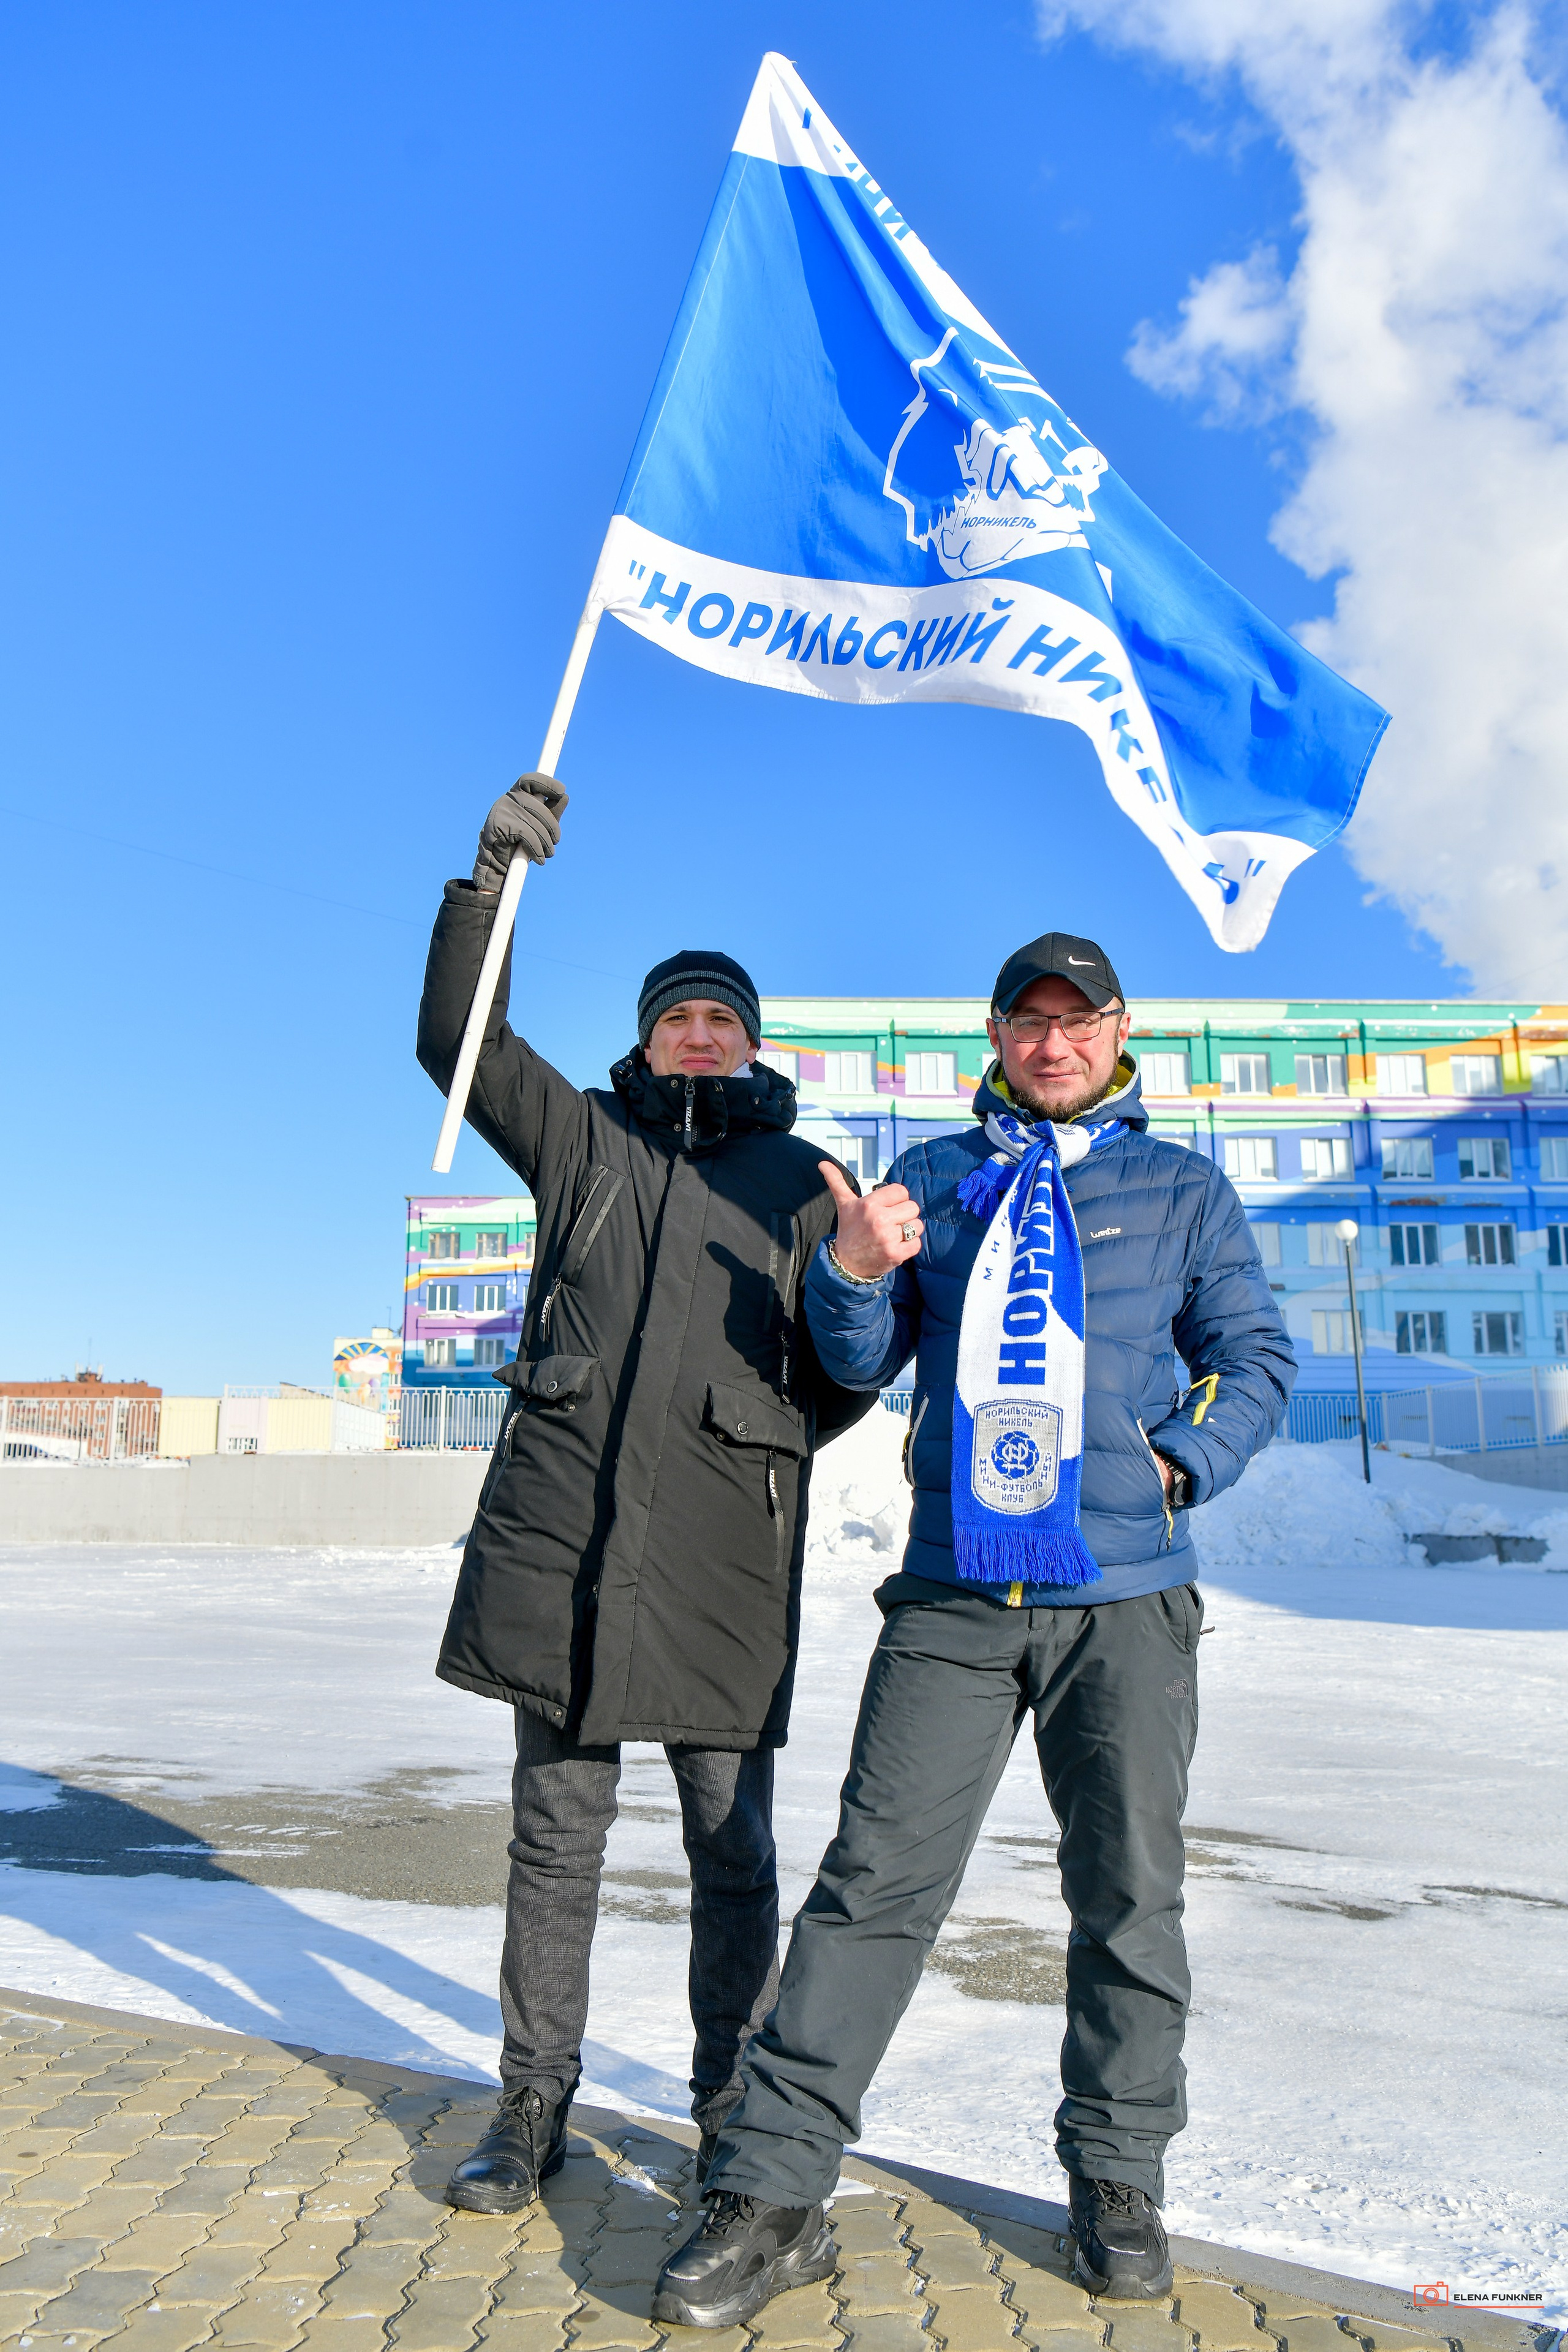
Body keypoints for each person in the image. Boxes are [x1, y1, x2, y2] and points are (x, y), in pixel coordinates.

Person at [654, 929, 1295, 2329]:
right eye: (1028, 1021)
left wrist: (1177, 1463)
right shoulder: (933, 1181)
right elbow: (850, 1362)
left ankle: (1115, 2177)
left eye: (1079, 1022)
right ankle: (770, 2192)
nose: (1052, 1044)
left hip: (1119, 1601)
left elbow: (1253, 1359)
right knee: (868, 1888)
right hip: (951, 1597)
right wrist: (849, 1266)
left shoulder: (1180, 1189)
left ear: (1119, 1034)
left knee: (1126, 1895)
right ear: (994, 1035)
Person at [417, 771, 872, 2214]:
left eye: (719, 1017)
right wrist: (488, 881)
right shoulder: (583, 1144)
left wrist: (762, 1429)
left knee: (732, 1856)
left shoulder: (803, 1180)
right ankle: (530, 2106)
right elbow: (458, 1040)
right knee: (552, 1845)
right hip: (567, 1548)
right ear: (643, 1038)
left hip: (721, 1568)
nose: (697, 1032)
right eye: (675, 1014)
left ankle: (727, 2104)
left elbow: (849, 1364)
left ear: (750, 1042)